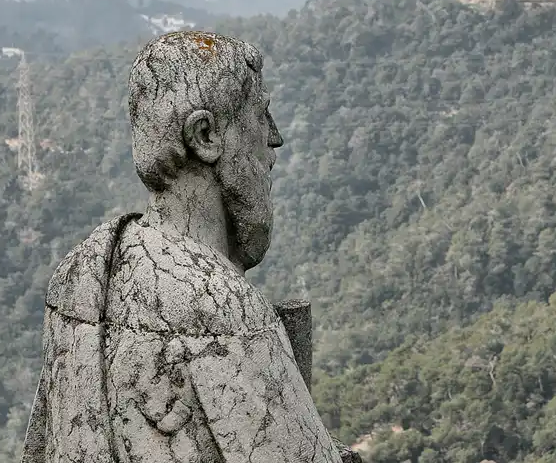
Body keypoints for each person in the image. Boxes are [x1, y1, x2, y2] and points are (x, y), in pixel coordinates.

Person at [22, 31, 343, 463]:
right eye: (262, 115)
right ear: (205, 136)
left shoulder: (81, 270)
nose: (275, 138)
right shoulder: (222, 307)